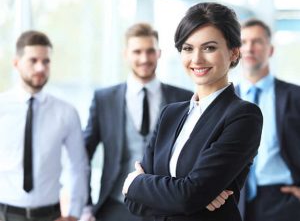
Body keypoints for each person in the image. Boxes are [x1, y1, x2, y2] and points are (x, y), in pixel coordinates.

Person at [122, 2, 263, 221]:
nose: (196, 59)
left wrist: (136, 183)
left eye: (209, 48)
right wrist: (190, 197)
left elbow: (189, 196)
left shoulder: (243, 116)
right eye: (188, 48)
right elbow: (133, 202)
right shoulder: (170, 114)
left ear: (234, 52)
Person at [81, 23, 193, 221]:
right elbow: (83, 156)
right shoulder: (104, 99)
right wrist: (86, 205)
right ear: (126, 54)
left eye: (150, 51)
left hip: (167, 208)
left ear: (158, 53)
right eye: (137, 51)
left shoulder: (184, 99)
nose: (144, 59)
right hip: (115, 207)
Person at [0, 30, 88, 221]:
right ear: (16, 63)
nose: (40, 67)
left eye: (46, 61)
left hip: (50, 215)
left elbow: (78, 165)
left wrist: (74, 213)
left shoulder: (66, 112)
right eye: (33, 60)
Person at [236, 19, 300, 221]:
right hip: (234, 200)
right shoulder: (225, 100)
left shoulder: (294, 96)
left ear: (270, 50)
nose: (249, 48)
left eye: (257, 42)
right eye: (243, 42)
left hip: (282, 200)